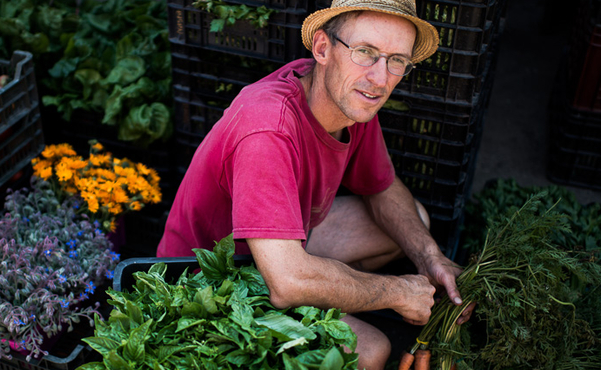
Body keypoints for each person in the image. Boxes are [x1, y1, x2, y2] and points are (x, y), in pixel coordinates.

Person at [157, 0, 474, 368]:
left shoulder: (349, 98)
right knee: (371, 351)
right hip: (210, 281)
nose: (380, 77)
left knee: (411, 219)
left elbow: (381, 188)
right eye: (365, 52)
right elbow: (287, 282)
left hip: (277, 249)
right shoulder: (268, 128)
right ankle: (325, 291)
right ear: (323, 48)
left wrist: (430, 258)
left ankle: (326, 288)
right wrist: (397, 292)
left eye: (396, 60)